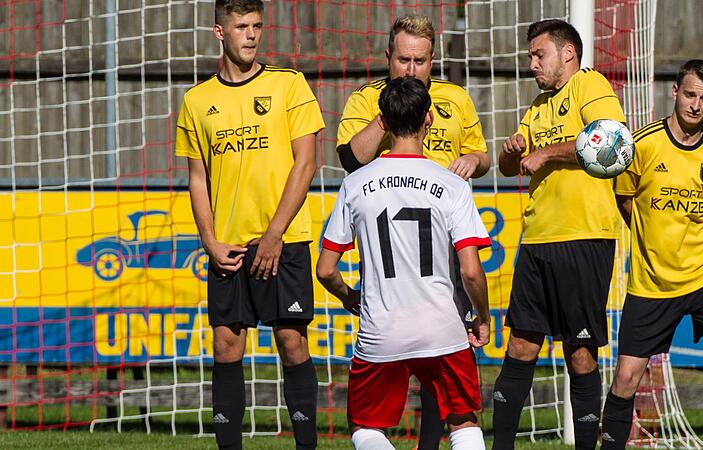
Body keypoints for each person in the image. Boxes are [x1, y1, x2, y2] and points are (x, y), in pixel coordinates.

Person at [174, 1, 324, 448]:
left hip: (284, 240)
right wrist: (209, 242)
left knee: (292, 343)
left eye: (257, 26)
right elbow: (197, 178)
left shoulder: (289, 84)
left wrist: (274, 234)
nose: (252, 35)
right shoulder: (196, 100)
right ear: (220, 32)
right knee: (226, 346)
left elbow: (306, 162)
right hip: (229, 247)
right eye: (241, 27)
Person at [336, 15, 490, 448]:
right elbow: (351, 160)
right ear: (388, 56)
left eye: (420, 61)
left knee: (441, 372)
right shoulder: (366, 100)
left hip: (445, 239)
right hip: (396, 249)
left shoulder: (455, 98)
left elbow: (481, 156)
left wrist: (472, 161)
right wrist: (389, 113)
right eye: (403, 60)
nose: (411, 69)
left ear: (432, 59)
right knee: (444, 373)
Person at [600, 59, 703, 450]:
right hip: (651, 282)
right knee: (625, 377)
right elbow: (625, 199)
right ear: (675, 91)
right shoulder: (641, 145)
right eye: (690, 94)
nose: (695, 104)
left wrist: (700, 229)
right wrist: (653, 235)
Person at [493, 19, 627, 450]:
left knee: (580, 351)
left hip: (583, 236)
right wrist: (512, 153)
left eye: (539, 55)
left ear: (568, 53)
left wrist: (546, 153)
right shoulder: (537, 107)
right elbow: (511, 167)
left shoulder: (590, 85)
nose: (532, 64)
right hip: (536, 240)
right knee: (520, 345)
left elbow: (611, 142)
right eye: (530, 56)